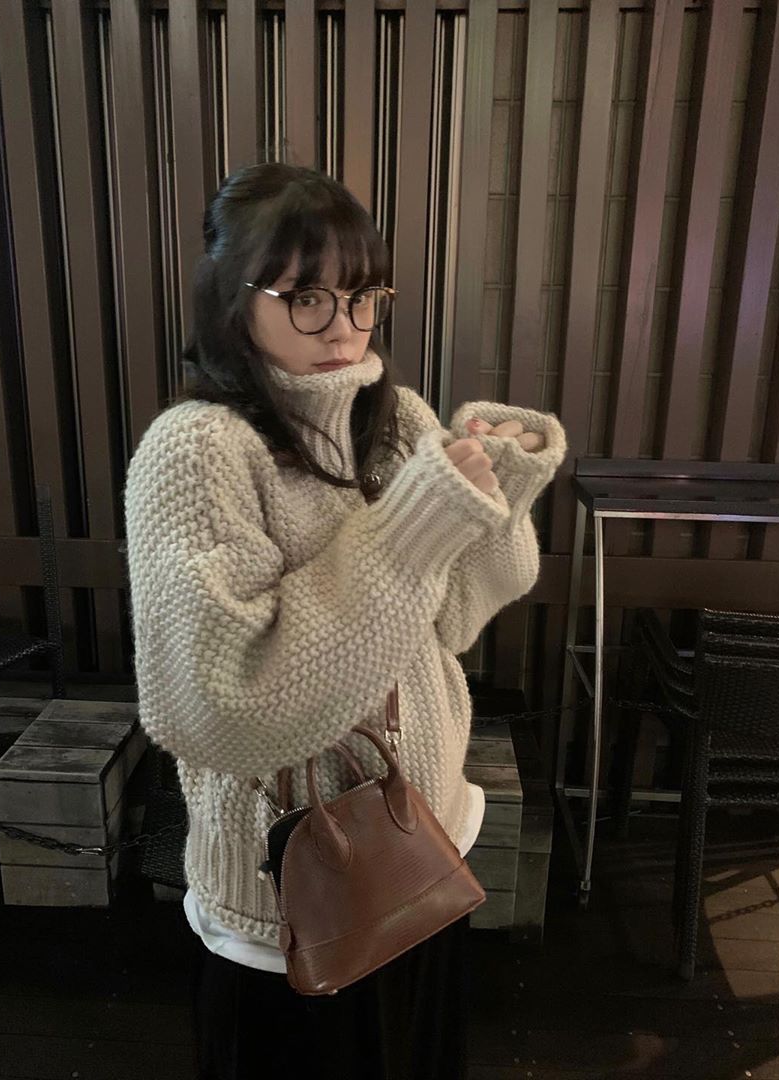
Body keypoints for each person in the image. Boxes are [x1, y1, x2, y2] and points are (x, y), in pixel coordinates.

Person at [124, 162, 568, 1080]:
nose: (343, 327)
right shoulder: (198, 450)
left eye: (363, 296)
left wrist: (502, 488)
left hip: (423, 843)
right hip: (293, 888)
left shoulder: (394, 420)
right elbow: (223, 706)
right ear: (234, 298)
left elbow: (456, 618)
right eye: (307, 297)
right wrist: (412, 527)